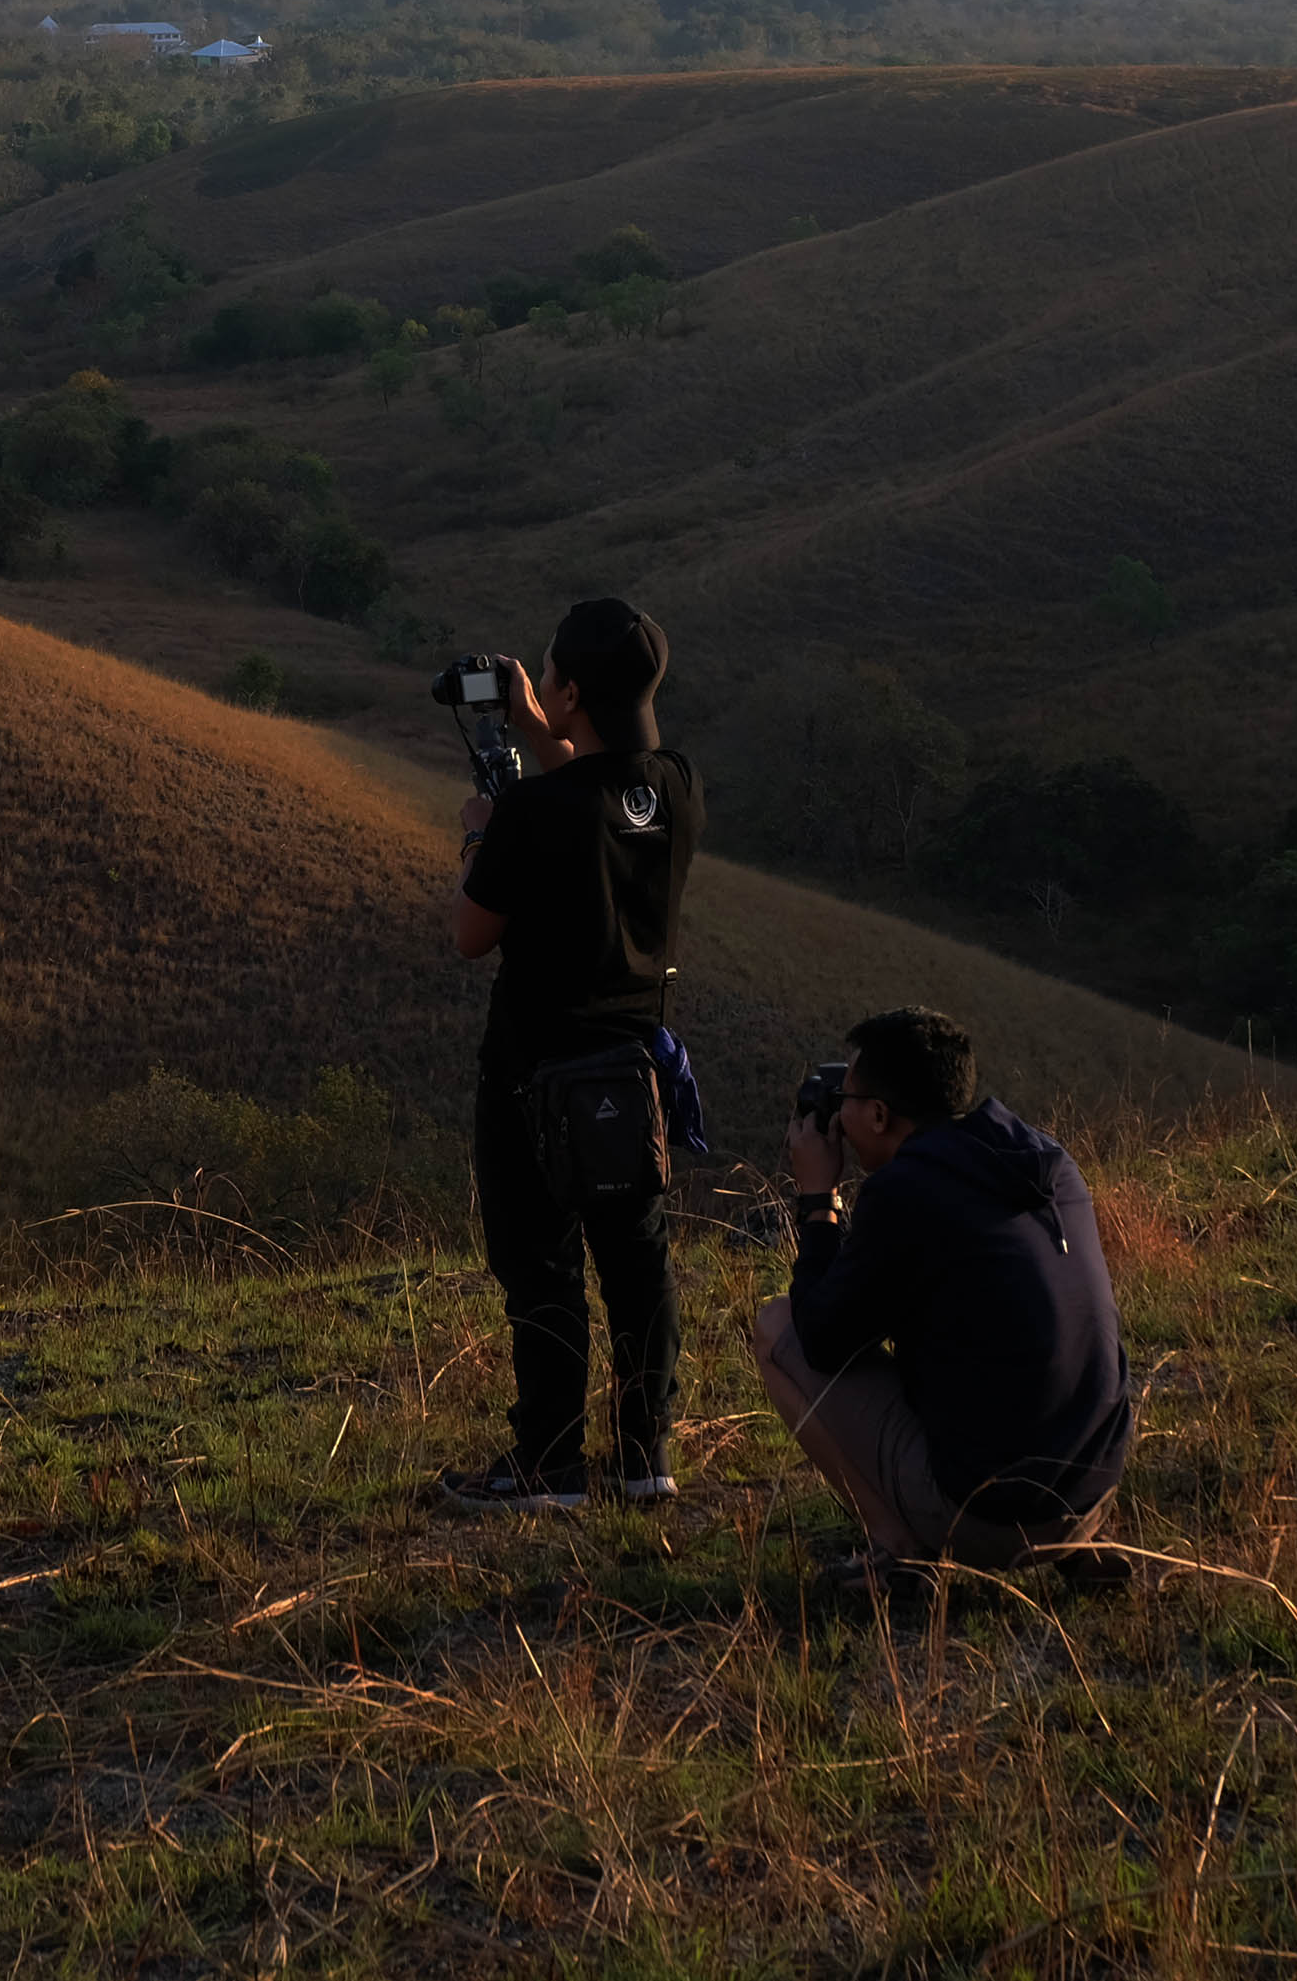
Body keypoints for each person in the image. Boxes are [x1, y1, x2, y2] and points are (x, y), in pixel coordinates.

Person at [437, 598, 702, 1511]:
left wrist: (480, 830)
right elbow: (594, 793)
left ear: (573, 691)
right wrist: (537, 724)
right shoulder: (676, 785)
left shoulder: (527, 812)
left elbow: (471, 933)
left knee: (542, 1265)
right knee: (637, 1258)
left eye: (549, 672)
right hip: (633, 1066)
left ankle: (550, 1463)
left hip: (533, 1069)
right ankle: (643, 1456)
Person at [749, 1008, 1131, 1587]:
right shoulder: (1046, 1161)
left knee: (777, 1328)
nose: (839, 1113)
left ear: (879, 1115)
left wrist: (818, 1199)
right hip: (1092, 1493)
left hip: (988, 1516)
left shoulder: (905, 1193)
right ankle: (1079, 1546)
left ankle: (898, 1552)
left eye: (847, 1097)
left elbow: (821, 1340)